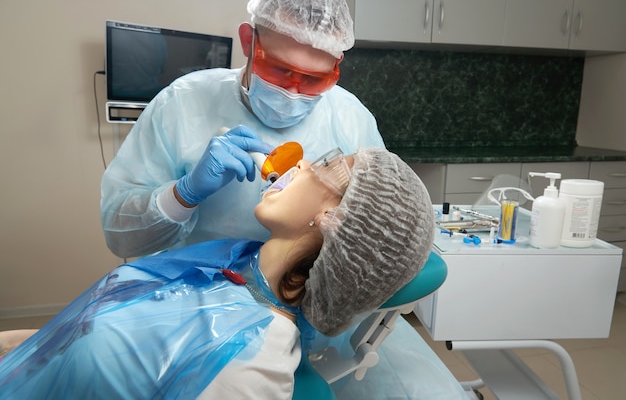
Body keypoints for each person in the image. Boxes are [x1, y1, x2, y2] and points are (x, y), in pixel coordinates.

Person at [0, 148, 434, 399]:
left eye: (325, 166)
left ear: (336, 219)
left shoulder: (248, 365)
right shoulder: (233, 265)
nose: (300, 164)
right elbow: (90, 333)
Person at [101, 0, 385, 259]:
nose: (293, 92)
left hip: (303, 299)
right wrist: (184, 194)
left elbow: (382, 229)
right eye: (280, 70)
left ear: (336, 67)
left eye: (315, 79)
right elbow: (121, 237)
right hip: (197, 295)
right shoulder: (181, 102)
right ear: (249, 41)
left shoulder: (353, 120)